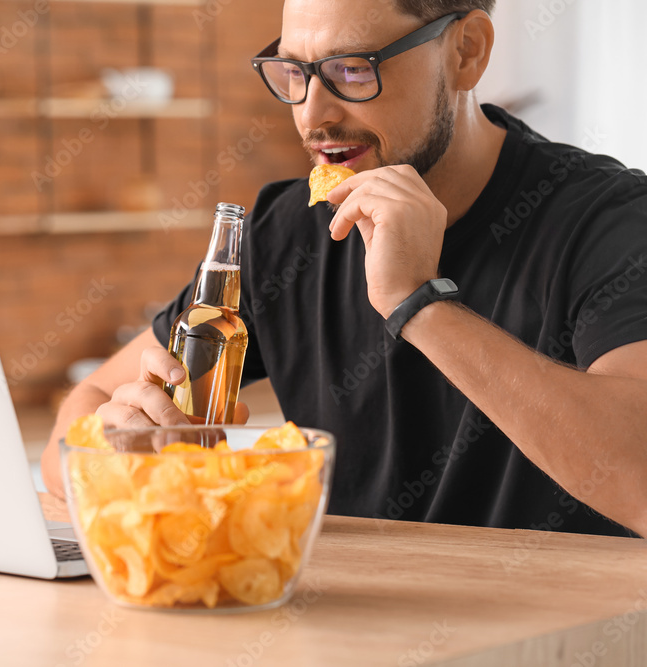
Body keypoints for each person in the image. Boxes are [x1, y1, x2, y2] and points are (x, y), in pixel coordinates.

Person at [41, 0, 647, 538]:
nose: (312, 115)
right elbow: (88, 404)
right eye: (293, 73)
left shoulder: (611, 221)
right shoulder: (284, 231)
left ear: (467, 51)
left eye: (352, 69)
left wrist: (419, 303)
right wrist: (115, 448)